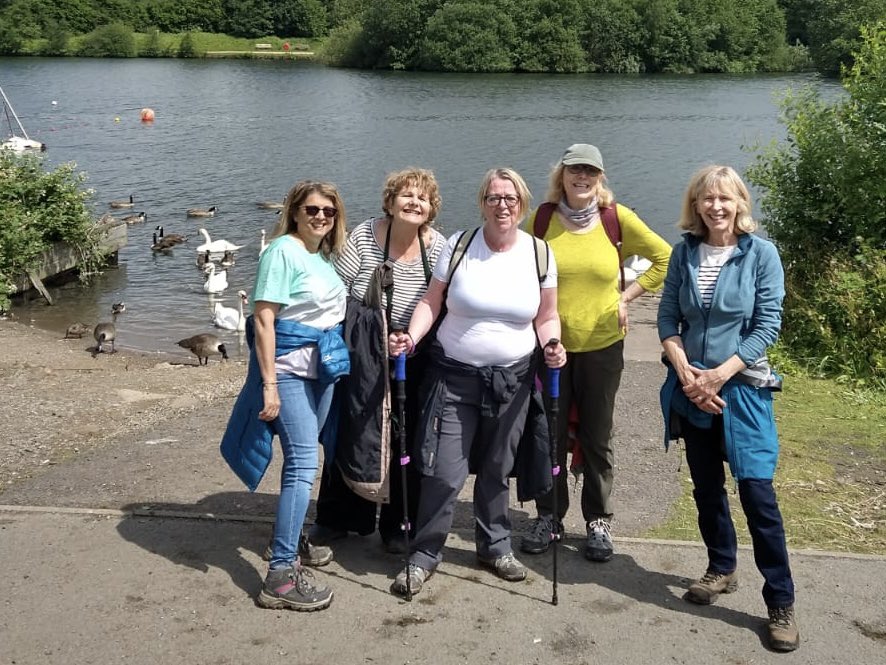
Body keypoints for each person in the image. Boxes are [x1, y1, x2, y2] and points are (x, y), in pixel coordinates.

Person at [387, 167, 566, 597]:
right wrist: (411, 337)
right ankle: (424, 553)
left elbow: (546, 315)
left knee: (497, 469)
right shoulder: (460, 244)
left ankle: (495, 547)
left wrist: (553, 343)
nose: (502, 205)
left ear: (522, 204)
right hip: (454, 378)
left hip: (513, 381)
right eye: (493, 197)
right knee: (444, 472)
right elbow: (432, 301)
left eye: (510, 198)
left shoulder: (540, 253)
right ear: (482, 203)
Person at [657, 165, 799, 652]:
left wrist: (719, 374)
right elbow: (667, 318)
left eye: (725, 198)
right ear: (695, 205)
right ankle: (721, 567)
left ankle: (780, 601)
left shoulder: (761, 254)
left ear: (740, 203)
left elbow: (767, 325)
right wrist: (686, 372)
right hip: (692, 389)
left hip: (743, 392)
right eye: (707, 198)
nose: (716, 206)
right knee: (706, 489)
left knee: (758, 495)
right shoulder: (684, 252)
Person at [521, 144, 672, 562]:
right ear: (562, 175)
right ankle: (549, 516)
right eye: (575, 170)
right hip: (550, 348)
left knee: (597, 435)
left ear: (600, 177)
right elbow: (515, 263)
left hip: (603, 346)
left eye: (590, 171)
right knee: (549, 434)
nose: (582, 177)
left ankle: (598, 520)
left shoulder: (615, 218)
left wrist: (626, 297)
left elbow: (665, 258)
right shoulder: (542, 220)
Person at [220, 180, 349, 612]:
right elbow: (263, 321)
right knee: (303, 464)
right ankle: (279, 575)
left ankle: (289, 538)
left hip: (321, 368)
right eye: (312, 209)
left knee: (304, 457)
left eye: (328, 211)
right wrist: (269, 384)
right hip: (290, 372)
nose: (320, 217)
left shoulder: (321, 254)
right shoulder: (281, 251)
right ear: (294, 212)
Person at [309, 168, 447, 554]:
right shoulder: (364, 237)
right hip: (364, 352)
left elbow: (439, 299)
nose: (414, 203)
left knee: (408, 438)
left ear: (431, 208)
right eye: (406, 195)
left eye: (422, 198)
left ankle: (398, 524)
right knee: (353, 430)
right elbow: (336, 292)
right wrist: (372, 334)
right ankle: (338, 518)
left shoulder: (438, 247)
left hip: (415, 353)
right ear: (390, 201)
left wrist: (408, 339)